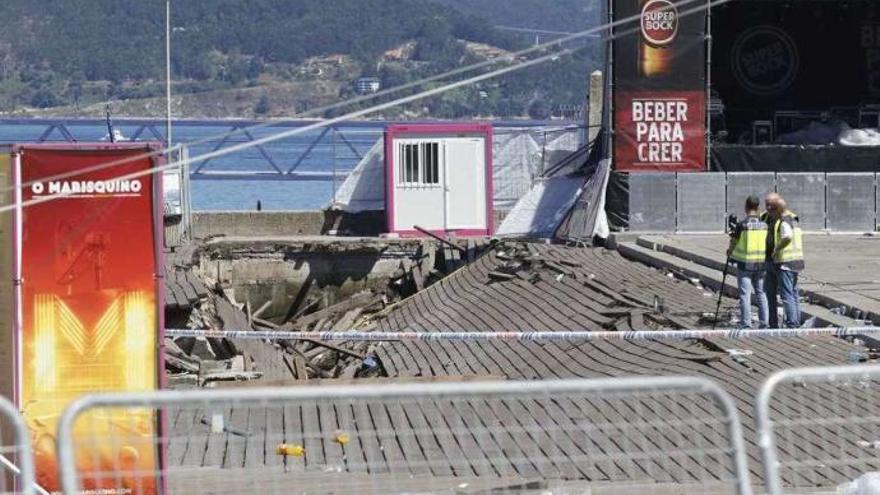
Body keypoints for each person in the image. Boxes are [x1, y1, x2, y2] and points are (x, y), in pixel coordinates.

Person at [727, 195, 769, 329]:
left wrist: (729, 252)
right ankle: (764, 323)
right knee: (761, 293)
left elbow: (734, 242)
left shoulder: (743, 225)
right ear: (758, 208)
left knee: (745, 294)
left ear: (746, 207)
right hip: (761, 264)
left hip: (745, 265)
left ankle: (746, 323)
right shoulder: (764, 225)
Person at [764, 195, 805, 328]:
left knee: (787, 295)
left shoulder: (784, 220)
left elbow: (787, 237)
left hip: (785, 262)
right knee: (792, 293)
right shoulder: (793, 218)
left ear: (777, 209)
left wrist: (776, 249)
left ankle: (792, 323)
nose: (768, 211)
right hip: (796, 260)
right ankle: (795, 321)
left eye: (771, 208)